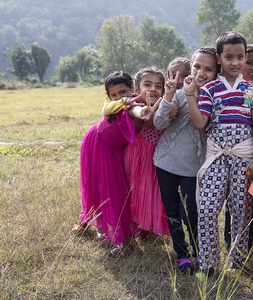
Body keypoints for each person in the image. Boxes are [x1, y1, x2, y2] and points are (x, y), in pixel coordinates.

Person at [185, 31, 253, 276]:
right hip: (217, 156)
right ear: (219, 58)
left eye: (240, 57)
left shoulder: (250, 89)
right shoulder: (210, 89)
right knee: (207, 208)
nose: (235, 62)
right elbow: (200, 123)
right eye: (229, 57)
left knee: (241, 210)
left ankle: (237, 259)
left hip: (244, 157)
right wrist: (190, 96)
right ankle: (209, 263)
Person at [153, 48, 219, 273]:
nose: (201, 73)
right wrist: (168, 97)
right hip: (166, 162)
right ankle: (181, 253)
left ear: (217, 73)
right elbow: (159, 123)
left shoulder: (216, 98)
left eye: (208, 69)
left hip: (194, 166)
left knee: (193, 212)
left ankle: (200, 253)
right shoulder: (179, 94)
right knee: (172, 210)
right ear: (191, 67)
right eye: (197, 67)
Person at [74, 71, 148, 257]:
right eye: (114, 94)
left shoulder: (136, 105)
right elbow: (107, 109)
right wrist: (121, 101)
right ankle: (88, 221)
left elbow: (138, 112)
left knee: (116, 194)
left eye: (123, 92)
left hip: (112, 152)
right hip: (96, 144)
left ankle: (126, 241)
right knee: (96, 189)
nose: (119, 97)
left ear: (133, 89)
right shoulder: (113, 105)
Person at [224, 43, 253, 252]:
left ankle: (248, 241)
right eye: (249, 62)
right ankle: (229, 241)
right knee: (233, 199)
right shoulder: (227, 87)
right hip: (230, 151)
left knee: (251, 198)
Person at [124, 67, 170, 239]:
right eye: (147, 84)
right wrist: (143, 112)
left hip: (157, 155)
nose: (153, 89)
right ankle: (135, 224)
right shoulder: (134, 104)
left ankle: (148, 225)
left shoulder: (165, 104)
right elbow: (139, 114)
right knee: (137, 189)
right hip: (139, 154)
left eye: (158, 86)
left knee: (153, 190)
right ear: (137, 89)